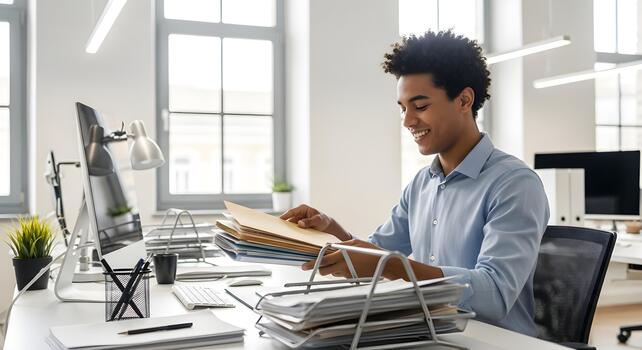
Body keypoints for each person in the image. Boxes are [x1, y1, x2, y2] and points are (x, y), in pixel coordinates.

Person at [280, 30, 550, 337]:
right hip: (433, 334)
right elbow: (377, 252)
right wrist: (332, 230)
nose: (407, 121)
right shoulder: (423, 183)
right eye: (403, 108)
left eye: (420, 106)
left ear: (464, 100)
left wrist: (393, 267)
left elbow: (496, 293)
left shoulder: (514, 184)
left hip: (495, 341)